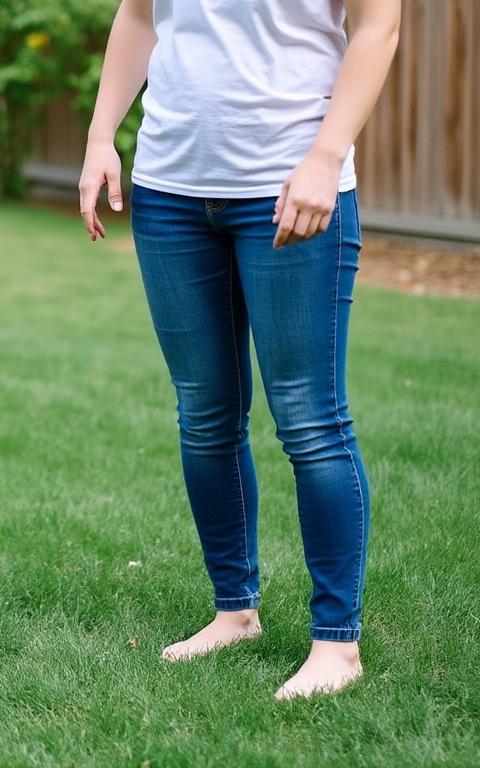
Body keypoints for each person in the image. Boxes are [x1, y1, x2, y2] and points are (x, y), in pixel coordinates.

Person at [78, 0, 400, 699]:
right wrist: (102, 135)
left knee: (310, 420)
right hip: (169, 189)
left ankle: (336, 646)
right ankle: (235, 611)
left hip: (290, 187)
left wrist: (325, 156)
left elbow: (379, 26)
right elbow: (138, 16)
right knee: (204, 414)